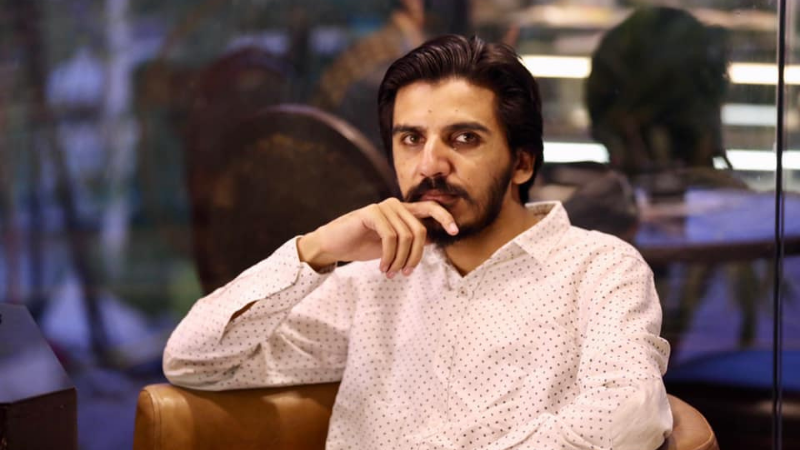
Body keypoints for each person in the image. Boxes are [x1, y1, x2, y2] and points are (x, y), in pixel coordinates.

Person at [164, 35, 672, 450]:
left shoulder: (599, 269)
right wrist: (315, 250)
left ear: (521, 162)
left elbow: (629, 415)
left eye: (464, 138)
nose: (429, 165)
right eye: (411, 139)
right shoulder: (370, 281)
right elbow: (193, 361)